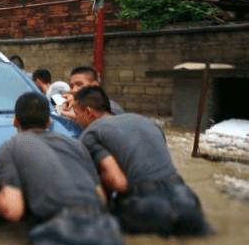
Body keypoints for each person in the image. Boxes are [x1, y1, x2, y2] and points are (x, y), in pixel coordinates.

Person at [0, 92, 127, 245]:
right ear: (49, 122)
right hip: (109, 234)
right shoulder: (76, 145)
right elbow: (101, 198)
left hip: (60, 236)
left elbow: (13, 211)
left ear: (15, 122)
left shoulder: (10, 148)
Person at [74, 86, 212, 236]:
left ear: (88, 112)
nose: (75, 118)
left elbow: (118, 183)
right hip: (187, 201)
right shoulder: (147, 122)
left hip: (145, 208)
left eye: (76, 113)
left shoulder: (91, 133)